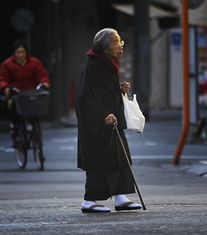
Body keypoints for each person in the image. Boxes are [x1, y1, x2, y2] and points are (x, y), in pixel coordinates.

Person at [77, 28, 142, 213]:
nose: (120, 46)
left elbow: (104, 92)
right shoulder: (92, 67)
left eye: (120, 41)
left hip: (112, 122)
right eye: (115, 42)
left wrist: (120, 89)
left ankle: (121, 197)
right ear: (105, 48)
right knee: (99, 161)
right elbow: (84, 98)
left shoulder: (107, 63)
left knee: (120, 158)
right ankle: (89, 201)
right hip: (99, 124)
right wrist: (101, 115)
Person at [0, 40, 50, 145]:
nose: (20, 55)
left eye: (22, 52)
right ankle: (15, 130)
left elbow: (42, 75)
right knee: (13, 109)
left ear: (26, 53)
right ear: (14, 53)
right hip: (16, 94)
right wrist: (5, 88)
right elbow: (1, 79)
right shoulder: (7, 65)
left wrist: (44, 83)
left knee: (35, 110)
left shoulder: (35, 63)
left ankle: (35, 132)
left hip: (31, 93)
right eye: (18, 52)